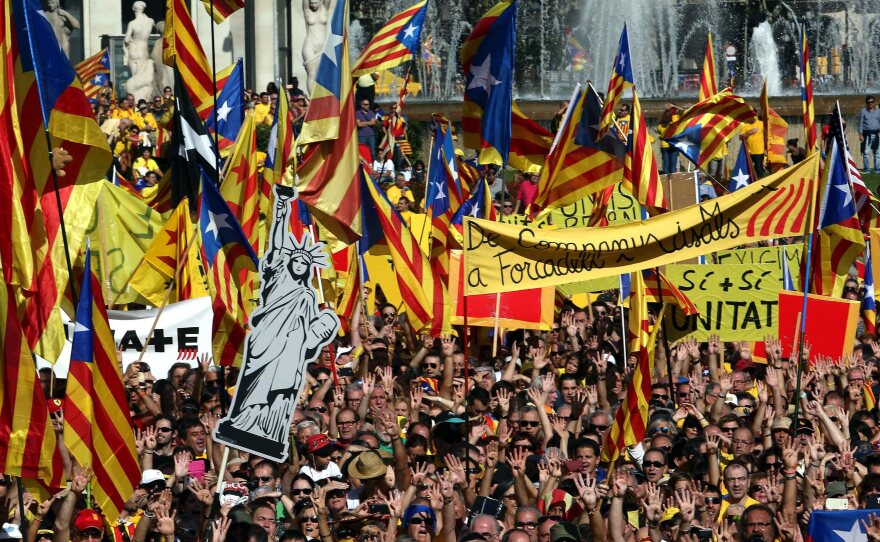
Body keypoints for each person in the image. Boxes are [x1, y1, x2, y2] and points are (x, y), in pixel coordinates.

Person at [859, 95, 880, 174]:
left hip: (877, 134)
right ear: (866, 103)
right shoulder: (863, 111)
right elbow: (860, 123)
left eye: (872, 102)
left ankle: (877, 169)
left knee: (877, 153)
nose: (870, 103)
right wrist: (860, 134)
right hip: (866, 134)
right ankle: (867, 169)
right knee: (866, 153)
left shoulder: (878, 111)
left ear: (874, 103)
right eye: (868, 102)